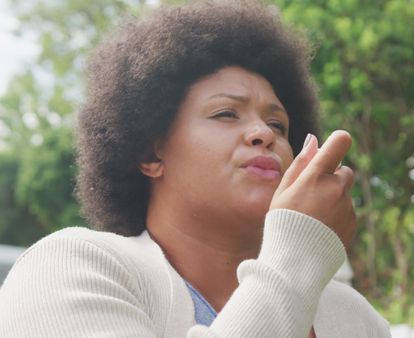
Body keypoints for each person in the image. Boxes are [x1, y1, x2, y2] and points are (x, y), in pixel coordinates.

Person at [0, 1, 391, 337]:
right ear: (150, 154)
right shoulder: (67, 270)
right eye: (226, 113)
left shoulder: (355, 318)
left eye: (278, 125)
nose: (263, 134)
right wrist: (296, 256)